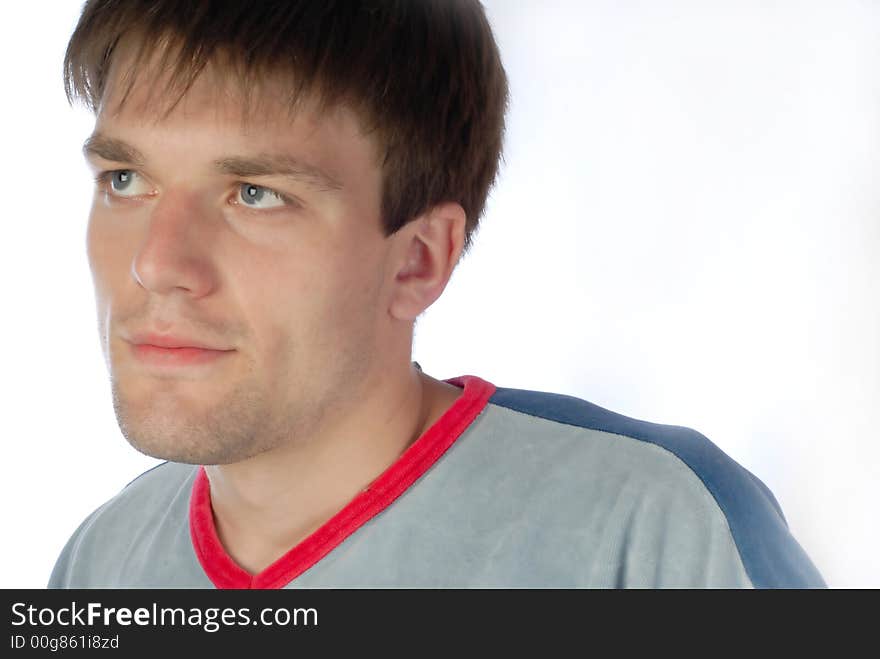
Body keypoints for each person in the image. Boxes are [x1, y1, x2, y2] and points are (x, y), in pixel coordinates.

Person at [49, 0, 824, 589]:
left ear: (418, 260)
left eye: (254, 193)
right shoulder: (100, 561)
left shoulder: (648, 532)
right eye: (125, 179)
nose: (157, 262)